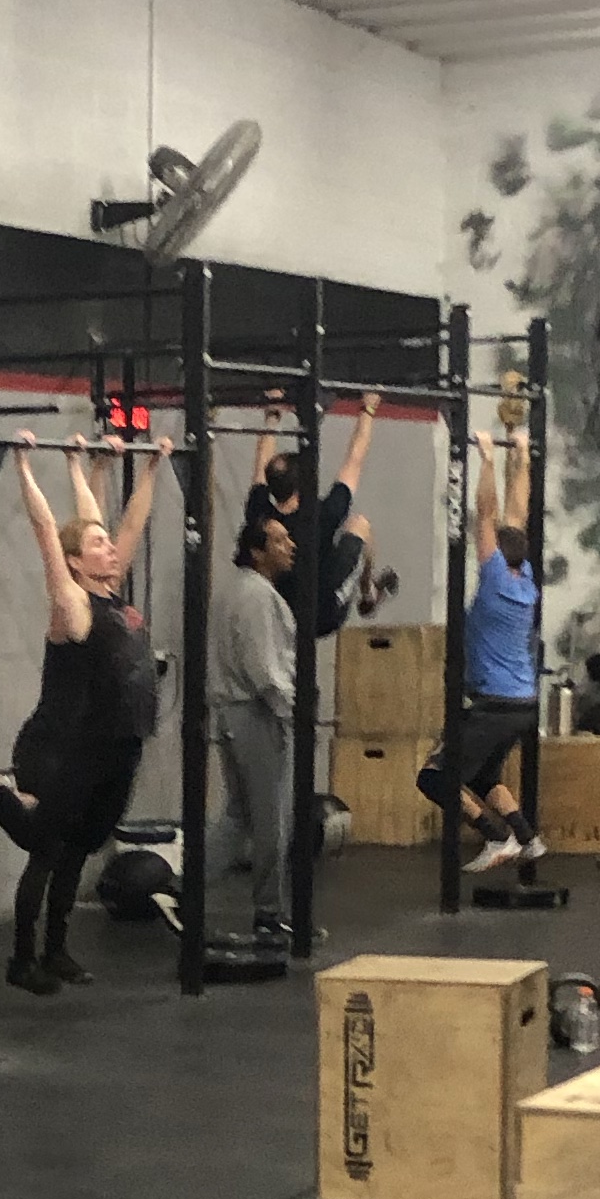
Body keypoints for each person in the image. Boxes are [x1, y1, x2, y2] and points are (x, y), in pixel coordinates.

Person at [0, 429, 171, 995]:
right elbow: (49, 531)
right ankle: (23, 960)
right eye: (97, 545)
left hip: (115, 748)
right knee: (46, 850)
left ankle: (57, 950)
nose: (110, 547)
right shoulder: (72, 603)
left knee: (77, 851)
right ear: (75, 562)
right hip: (63, 746)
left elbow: (126, 525)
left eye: (108, 544)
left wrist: (148, 468)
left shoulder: (113, 592)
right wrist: (23, 464)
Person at [422, 414, 545, 861]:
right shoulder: (524, 578)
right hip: (522, 704)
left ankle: (496, 836)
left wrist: (489, 459)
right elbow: (517, 513)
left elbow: (488, 513)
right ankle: (527, 838)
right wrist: (522, 453)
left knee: (434, 777)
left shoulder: (493, 578)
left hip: (493, 704)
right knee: (482, 776)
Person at [207, 502, 298, 944]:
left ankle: (182, 891)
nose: (290, 546)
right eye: (279, 541)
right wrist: (291, 711)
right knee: (272, 820)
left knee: (239, 816)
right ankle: (269, 914)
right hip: (256, 714)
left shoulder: (232, 590)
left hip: (231, 713)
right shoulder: (259, 597)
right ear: (257, 552)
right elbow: (266, 670)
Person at [253, 397, 381, 637]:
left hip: (279, 616)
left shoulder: (260, 512)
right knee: (360, 525)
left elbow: (261, 466)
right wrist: (368, 409)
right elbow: (354, 460)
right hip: (325, 616)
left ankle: (369, 588)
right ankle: (368, 591)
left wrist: (272, 411)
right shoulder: (323, 513)